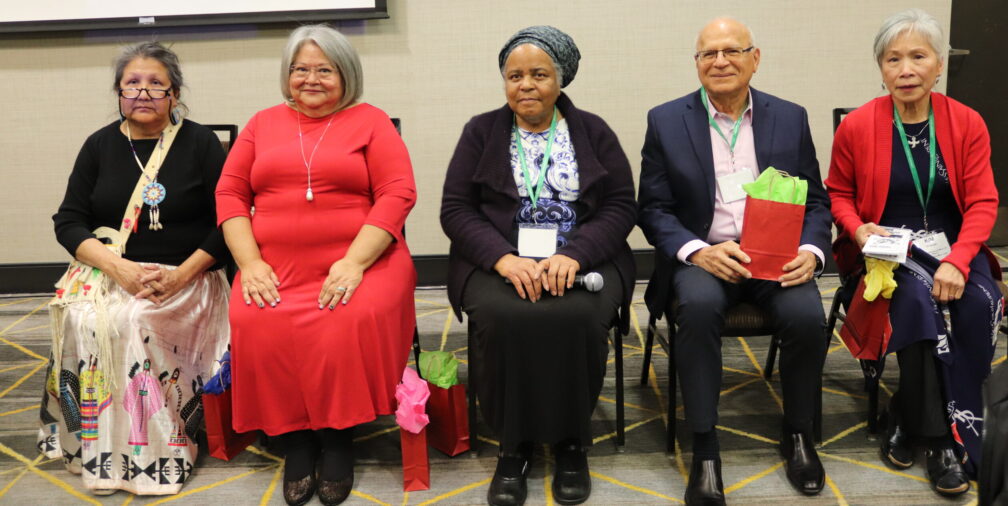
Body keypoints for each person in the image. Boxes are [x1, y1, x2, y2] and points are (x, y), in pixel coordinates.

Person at [216, 24, 416, 506]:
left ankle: (338, 436)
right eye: (300, 69)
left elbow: (398, 192)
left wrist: (353, 263)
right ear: (286, 77)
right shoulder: (262, 123)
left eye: (324, 69)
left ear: (346, 73)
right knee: (256, 317)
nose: (311, 79)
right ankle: (296, 439)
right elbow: (230, 193)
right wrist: (251, 262)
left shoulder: (370, 122)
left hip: (364, 260)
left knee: (343, 319)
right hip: (274, 264)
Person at [637, 17, 833, 504]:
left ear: (755, 58)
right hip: (704, 260)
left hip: (778, 258)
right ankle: (705, 448)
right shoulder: (666, 119)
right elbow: (653, 209)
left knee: (809, 316)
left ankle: (798, 432)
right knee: (699, 311)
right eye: (707, 54)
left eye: (731, 51)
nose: (720, 61)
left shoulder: (790, 117)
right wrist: (698, 251)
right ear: (697, 64)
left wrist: (811, 251)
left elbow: (815, 202)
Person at [440, 25, 636, 506]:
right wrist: (503, 259)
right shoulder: (480, 131)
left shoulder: (593, 130)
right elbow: (455, 210)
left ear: (561, 79)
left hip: (580, 255)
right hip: (498, 262)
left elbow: (621, 206)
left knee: (579, 317)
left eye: (538, 74)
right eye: (514, 75)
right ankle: (514, 446)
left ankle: (571, 443)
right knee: (506, 317)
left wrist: (575, 254)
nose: (525, 85)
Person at [41, 41, 231, 495]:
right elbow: (68, 220)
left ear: (174, 93)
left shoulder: (200, 143)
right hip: (114, 274)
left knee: (134, 321)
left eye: (155, 84)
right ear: (119, 92)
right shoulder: (100, 145)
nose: (143, 93)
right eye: (132, 84)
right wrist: (117, 268)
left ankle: (155, 455)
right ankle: (96, 450)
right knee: (81, 318)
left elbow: (230, 223)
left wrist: (181, 275)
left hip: (186, 279)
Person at [826, 9, 1002, 497]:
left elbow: (985, 201)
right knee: (913, 302)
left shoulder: (966, 123)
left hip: (953, 246)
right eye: (893, 59)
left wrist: (958, 259)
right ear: (881, 69)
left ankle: (908, 413)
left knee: (978, 304)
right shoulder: (858, 126)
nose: (906, 69)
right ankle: (940, 441)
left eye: (918, 57)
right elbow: (836, 192)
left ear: (938, 65)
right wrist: (857, 228)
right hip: (885, 249)